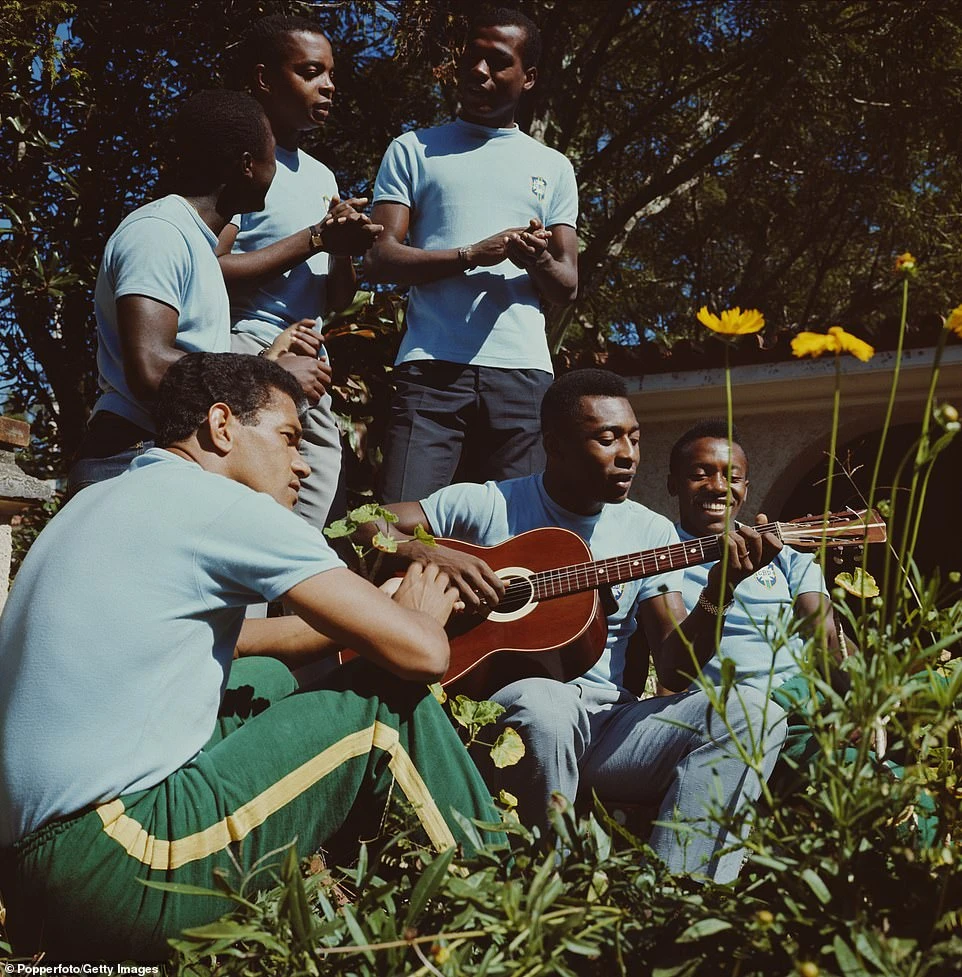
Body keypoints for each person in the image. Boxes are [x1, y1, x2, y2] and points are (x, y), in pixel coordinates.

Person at [0, 353, 502, 961]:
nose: (302, 462)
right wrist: (420, 614)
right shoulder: (229, 507)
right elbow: (422, 655)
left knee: (260, 680)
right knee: (381, 706)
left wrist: (375, 607)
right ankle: (514, 912)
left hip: (31, 878)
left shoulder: (109, 497)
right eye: (289, 438)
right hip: (119, 866)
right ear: (221, 426)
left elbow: (245, 645)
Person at [355, 369, 788, 884]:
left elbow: (677, 666)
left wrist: (721, 590)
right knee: (545, 702)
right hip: (496, 723)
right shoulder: (491, 504)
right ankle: (547, 894)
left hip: (606, 729)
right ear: (555, 446)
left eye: (634, 437)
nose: (627, 453)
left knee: (753, 713)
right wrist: (435, 554)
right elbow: (363, 520)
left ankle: (679, 902)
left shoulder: (646, 529)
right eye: (607, 439)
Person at [364, 6, 579, 502]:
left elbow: (566, 284)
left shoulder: (553, 166)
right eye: (472, 58)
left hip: (523, 376)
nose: (479, 72)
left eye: (498, 62)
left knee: (515, 541)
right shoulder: (413, 149)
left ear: (529, 78)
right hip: (430, 370)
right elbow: (379, 258)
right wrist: (470, 254)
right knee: (399, 529)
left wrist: (536, 260)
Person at [66, 89, 289, 494]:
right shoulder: (159, 231)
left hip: (163, 455)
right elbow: (150, 366)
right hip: (128, 457)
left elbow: (192, 358)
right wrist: (265, 380)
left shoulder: (198, 244)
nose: (277, 170)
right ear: (246, 165)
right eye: (272, 156)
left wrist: (267, 361)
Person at [219, 14, 382, 530]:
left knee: (304, 516)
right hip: (249, 347)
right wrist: (315, 237)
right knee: (248, 514)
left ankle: (282, 613)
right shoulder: (237, 161)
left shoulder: (320, 174)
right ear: (266, 79)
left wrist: (342, 247)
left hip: (313, 364)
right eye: (311, 72)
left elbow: (333, 297)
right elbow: (211, 270)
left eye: (331, 73)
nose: (328, 85)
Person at [666, 419, 839, 696]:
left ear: (745, 489)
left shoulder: (785, 556)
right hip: (727, 717)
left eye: (733, 478)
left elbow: (825, 635)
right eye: (700, 475)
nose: (719, 487)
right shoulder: (659, 558)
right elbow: (672, 673)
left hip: (798, 704)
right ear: (672, 484)